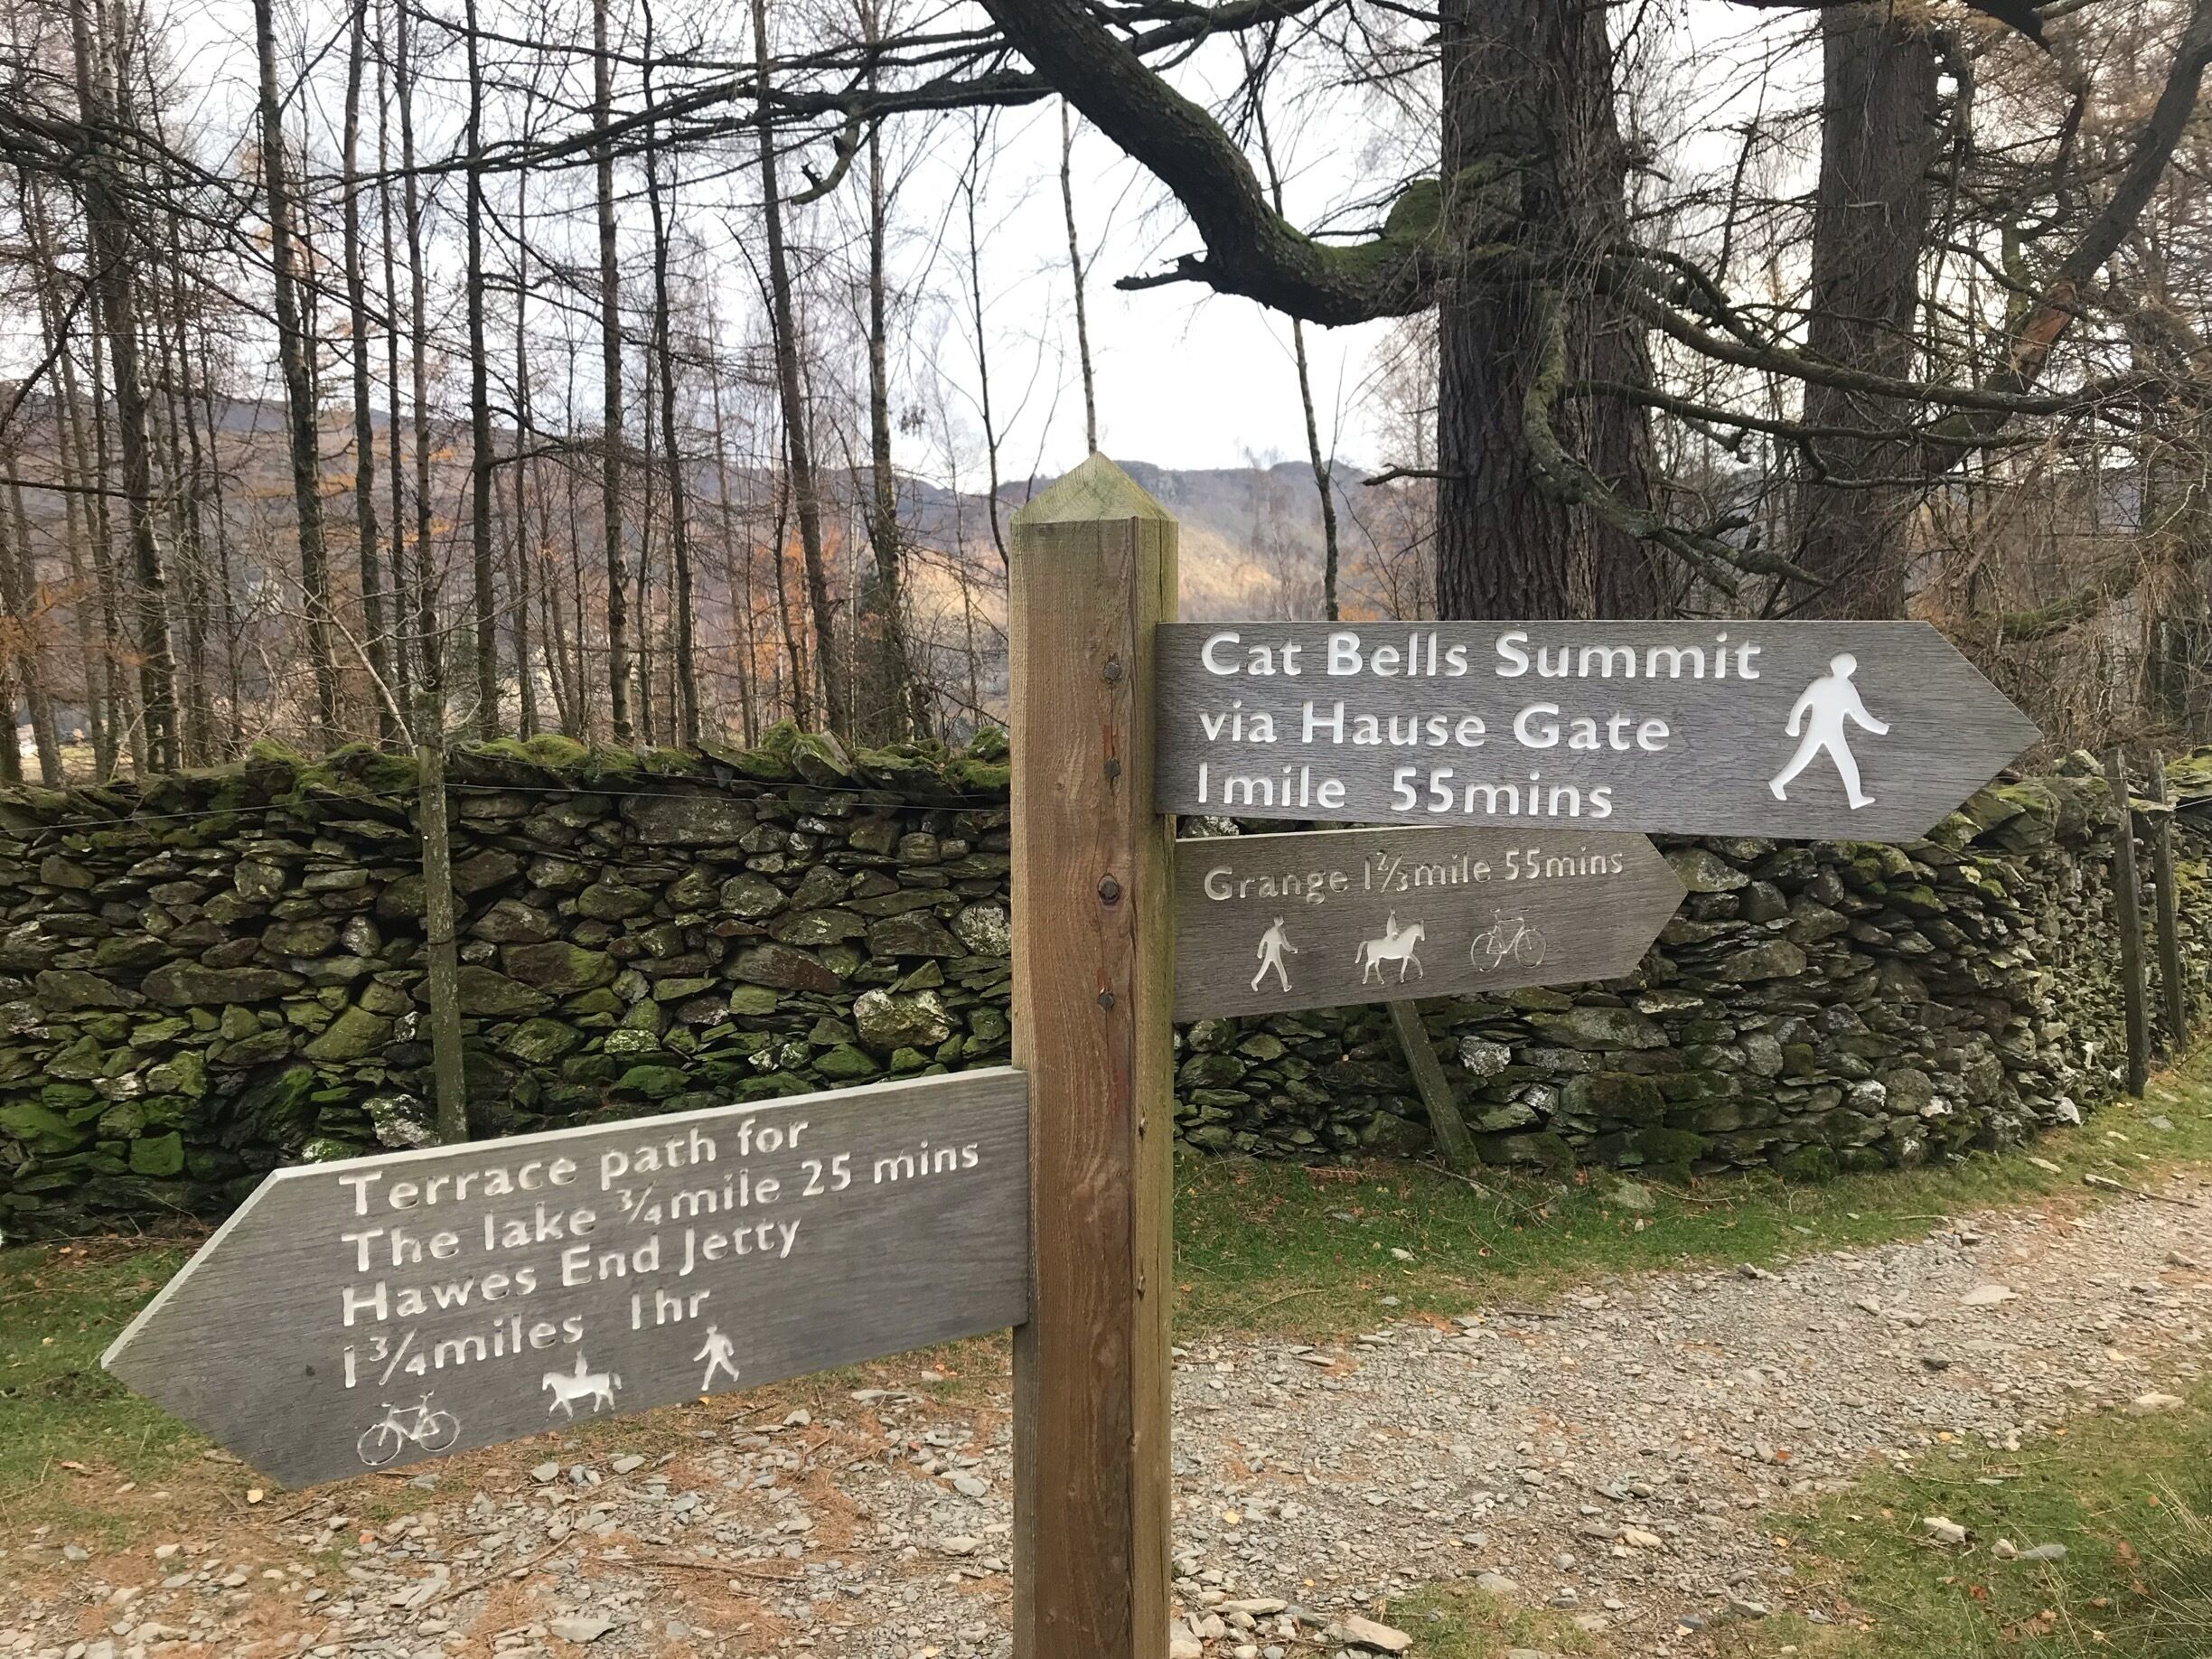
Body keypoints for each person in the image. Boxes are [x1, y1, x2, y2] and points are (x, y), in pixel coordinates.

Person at [1770, 652, 1889, 810]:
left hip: (1829, 732)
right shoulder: (1837, 687)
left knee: (1823, 760)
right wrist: (1881, 728)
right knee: (1811, 760)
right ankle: (1778, 783)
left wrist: (1794, 724)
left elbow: (1859, 715)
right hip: (1825, 731)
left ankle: (1855, 797)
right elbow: (1860, 716)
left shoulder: (1833, 686)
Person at [1251, 916, 1296, 992]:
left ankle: (1254, 982)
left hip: (1269, 953)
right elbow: (1286, 946)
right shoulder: (1279, 934)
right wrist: (1294, 949)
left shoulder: (1269, 931)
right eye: (1282, 919)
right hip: (1274, 954)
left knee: (1264, 969)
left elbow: (1262, 942)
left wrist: (1260, 952)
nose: (1283, 920)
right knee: (1280, 969)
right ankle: (1285, 986)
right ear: (1280, 922)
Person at [694, 1325, 741, 1392]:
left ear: (709, 1331)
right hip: (720, 1355)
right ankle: (734, 1372)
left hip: (715, 1357)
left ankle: (706, 1384)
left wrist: (696, 1358)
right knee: (725, 1366)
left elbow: (704, 1351)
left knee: (710, 1370)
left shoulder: (710, 1340)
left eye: (708, 1329)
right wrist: (730, 1348)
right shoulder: (719, 1337)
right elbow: (727, 1342)